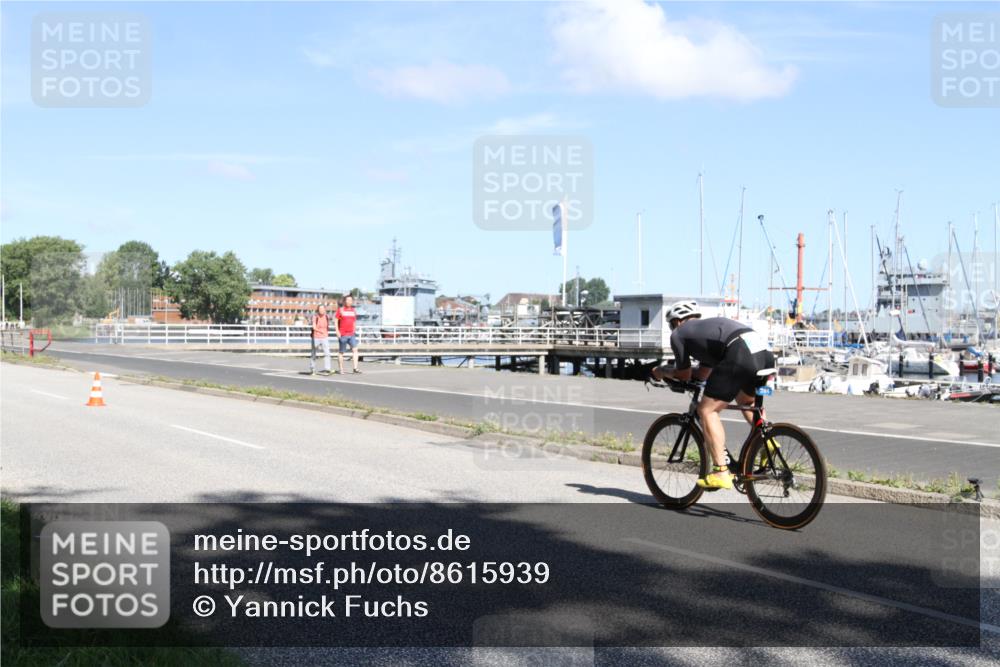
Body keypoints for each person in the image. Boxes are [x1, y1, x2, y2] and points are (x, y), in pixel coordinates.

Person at [650, 300, 776, 490]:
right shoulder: (707, 332)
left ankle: (720, 472)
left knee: (707, 410)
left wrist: (662, 371)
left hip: (739, 351)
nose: (671, 328)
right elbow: (702, 373)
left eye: (670, 325)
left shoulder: (679, 334)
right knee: (747, 402)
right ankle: (769, 441)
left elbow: (683, 374)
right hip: (763, 351)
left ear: (677, 321)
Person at [336, 295, 361, 374]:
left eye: (351, 300)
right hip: (343, 334)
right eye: (348, 300)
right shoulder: (341, 310)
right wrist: (337, 331)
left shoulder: (353, 311)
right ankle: (341, 369)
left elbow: (354, 321)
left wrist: (354, 330)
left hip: (351, 334)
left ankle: (355, 368)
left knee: (355, 349)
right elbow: (336, 321)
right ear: (344, 301)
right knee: (341, 352)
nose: (349, 302)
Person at [309, 304, 332, 375]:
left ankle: (327, 369)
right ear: (318, 310)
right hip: (316, 337)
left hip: (325, 337)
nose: (321, 310)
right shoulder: (315, 317)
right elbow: (314, 327)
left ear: (325, 310)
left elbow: (327, 326)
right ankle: (312, 369)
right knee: (314, 354)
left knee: (327, 353)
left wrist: (325, 333)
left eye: (323, 309)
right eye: (320, 309)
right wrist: (320, 331)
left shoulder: (326, 317)